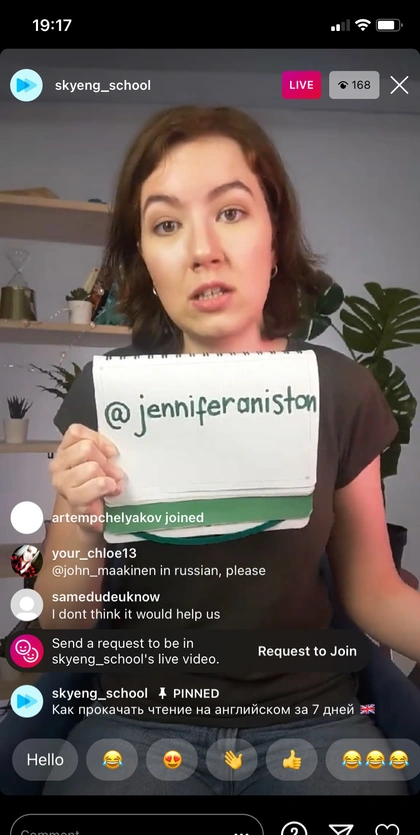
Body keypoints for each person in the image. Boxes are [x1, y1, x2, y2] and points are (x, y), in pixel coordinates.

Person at [37, 105, 420, 796]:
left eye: (232, 212)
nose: (202, 249)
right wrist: (80, 517)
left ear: (275, 236)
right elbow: (62, 621)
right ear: (146, 260)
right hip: (140, 718)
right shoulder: (106, 394)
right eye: (166, 225)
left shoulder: (339, 389)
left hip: (312, 718)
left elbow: (374, 591)